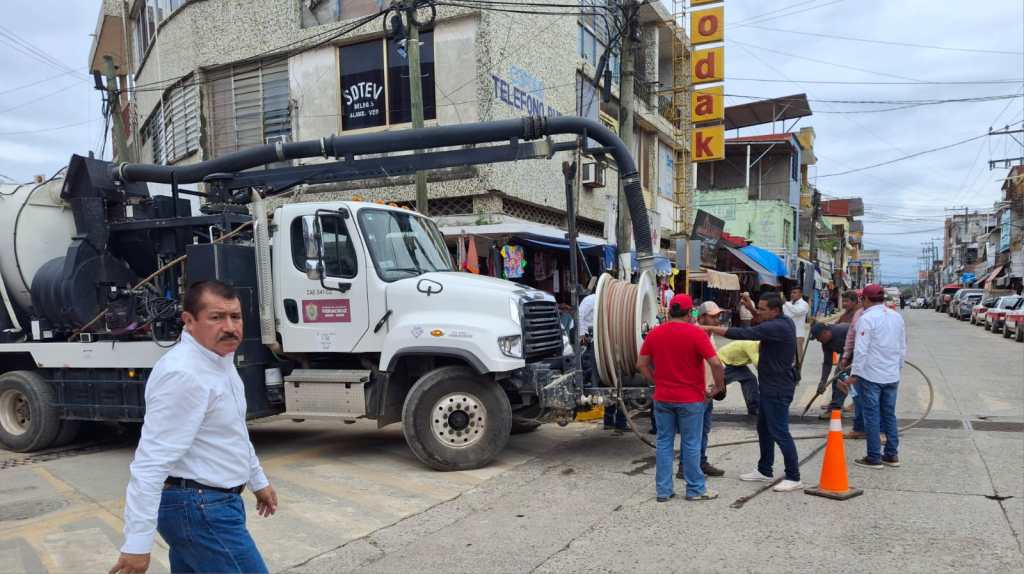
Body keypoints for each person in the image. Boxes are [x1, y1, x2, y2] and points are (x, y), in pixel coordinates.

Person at [110, 281, 278, 574]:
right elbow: (151, 462)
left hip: (212, 504)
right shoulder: (184, 374)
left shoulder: (220, 361)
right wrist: (137, 544)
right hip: (200, 509)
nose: (230, 327)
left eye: (235, 317)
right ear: (189, 321)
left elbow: (232, 433)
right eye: (216, 317)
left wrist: (257, 480)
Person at [702, 293, 803, 492]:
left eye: (763, 309)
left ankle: (794, 476)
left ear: (775, 310)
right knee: (764, 429)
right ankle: (764, 469)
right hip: (769, 386)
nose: (760, 311)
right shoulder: (781, 321)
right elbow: (761, 321)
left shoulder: (779, 326)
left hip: (778, 388)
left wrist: (710, 328)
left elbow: (744, 333)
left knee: (780, 431)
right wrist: (752, 309)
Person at [637, 294, 725, 502]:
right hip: (690, 399)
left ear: (670, 311)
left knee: (664, 442)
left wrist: (657, 381)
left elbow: (640, 364)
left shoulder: (655, 334)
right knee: (691, 443)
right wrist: (718, 387)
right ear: (689, 313)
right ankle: (695, 489)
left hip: (663, 398)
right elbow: (716, 363)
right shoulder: (696, 334)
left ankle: (663, 491)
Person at [840, 284, 907, 469]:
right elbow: (902, 347)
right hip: (891, 375)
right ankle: (892, 455)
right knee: (889, 415)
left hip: (872, 376)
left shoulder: (867, 318)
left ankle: (874, 457)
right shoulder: (896, 316)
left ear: (865, 300)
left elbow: (861, 350)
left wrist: (854, 375)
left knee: (872, 417)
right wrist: (897, 368)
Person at [685, 301, 726, 479]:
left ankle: (700, 462)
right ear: (701, 317)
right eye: (713, 316)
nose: (717, 319)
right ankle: (686, 467)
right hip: (697, 392)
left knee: (702, 431)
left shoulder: (709, 335)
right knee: (693, 433)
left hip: (708, 391)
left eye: (718, 316)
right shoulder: (694, 334)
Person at [809, 322, 851, 420]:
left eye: (819, 338)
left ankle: (835, 409)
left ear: (825, 332)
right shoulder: (825, 343)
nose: (819, 341)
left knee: (841, 378)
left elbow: (856, 345)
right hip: (846, 356)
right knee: (836, 378)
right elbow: (827, 363)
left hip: (858, 353)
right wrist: (822, 382)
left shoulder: (841, 332)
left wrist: (845, 363)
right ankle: (835, 406)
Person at [716, 339, 761, 417]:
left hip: (736, 363)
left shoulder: (758, 347)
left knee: (750, 379)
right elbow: (759, 365)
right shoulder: (751, 346)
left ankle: (754, 408)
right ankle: (701, 403)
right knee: (716, 388)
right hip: (724, 361)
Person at [784, 287, 810, 364]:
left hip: (798, 334)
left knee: (798, 357)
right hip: (788, 333)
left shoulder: (804, 304)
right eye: (792, 292)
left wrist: (786, 303)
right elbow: (786, 314)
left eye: (795, 292)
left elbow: (797, 312)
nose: (792, 294)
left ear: (800, 294)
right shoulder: (789, 304)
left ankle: (798, 373)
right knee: (789, 356)